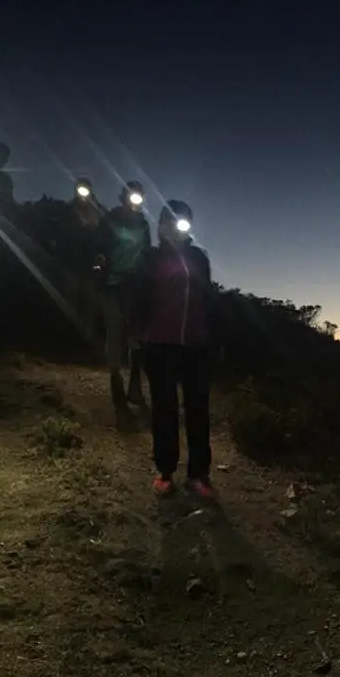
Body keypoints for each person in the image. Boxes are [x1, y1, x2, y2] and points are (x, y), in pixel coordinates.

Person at [134, 200, 218, 497]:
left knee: (198, 409)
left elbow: (208, 297)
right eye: (167, 221)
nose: (174, 226)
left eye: (181, 221)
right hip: (159, 344)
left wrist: (210, 335)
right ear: (160, 225)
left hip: (195, 344)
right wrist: (140, 334)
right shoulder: (151, 258)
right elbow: (139, 298)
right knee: (164, 409)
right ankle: (165, 471)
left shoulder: (199, 257)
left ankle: (198, 474)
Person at [92, 180, 151, 426]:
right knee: (115, 332)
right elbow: (98, 246)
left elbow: (147, 252)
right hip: (112, 284)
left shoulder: (144, 225)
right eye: (130, 195)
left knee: (136, 336)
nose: (134, 199)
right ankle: (117, 390)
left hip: (134, 285)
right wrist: (99, 263)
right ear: (123, 197)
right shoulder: (112, 219)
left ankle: (134, 387)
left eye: (138, 196)